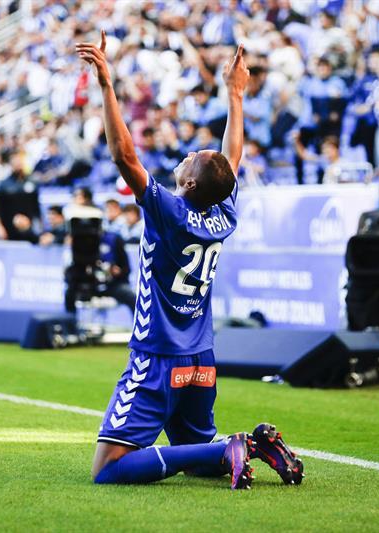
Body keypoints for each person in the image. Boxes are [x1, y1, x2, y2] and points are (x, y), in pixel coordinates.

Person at [76, 34, 302, 490]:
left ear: (192, 184)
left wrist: (106, 85)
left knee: (108, 470)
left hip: (158, 356)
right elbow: (231, 159)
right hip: (201, 357)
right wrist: (235, 96)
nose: (189, 154)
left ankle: (227, 448)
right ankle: (253, 444)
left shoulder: (170, 210)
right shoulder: (224, 211)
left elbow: (124, 156)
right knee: (195, 461)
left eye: (193, 158)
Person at [0, 152, 41, 243]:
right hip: (9, 228)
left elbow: (36, 208)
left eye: (20, 161)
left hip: (28, 229)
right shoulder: (3, 185)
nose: (18, 164)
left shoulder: (31, 182)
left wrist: (39, 227)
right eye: (15, 162)